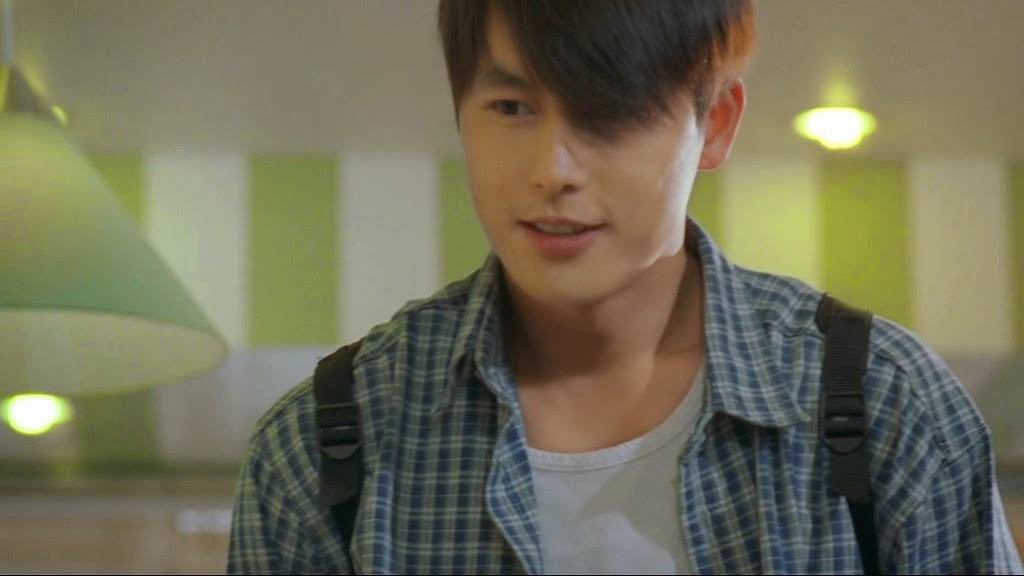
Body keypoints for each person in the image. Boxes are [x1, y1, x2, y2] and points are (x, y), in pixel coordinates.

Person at [227, 1, 1024, 574]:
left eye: (611, 112)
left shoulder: (884, 403)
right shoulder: (324, 445)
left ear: (714, 124)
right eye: (511, 106)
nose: (554, 171)